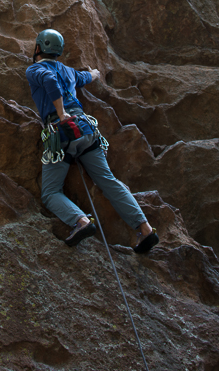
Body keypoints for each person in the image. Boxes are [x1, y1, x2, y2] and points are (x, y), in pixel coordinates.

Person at [26, 28, 159, 252]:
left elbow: (49, 81)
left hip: (62, 131)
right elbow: (87, 77)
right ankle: (145, 229)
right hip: (86, 129)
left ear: (38, 48)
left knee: (50, 192)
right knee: (108, 180)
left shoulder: (35, 69)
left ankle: (81, 222)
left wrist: (60, 114)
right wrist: (95, 73)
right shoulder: (68, 71)